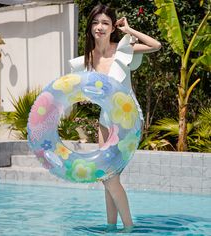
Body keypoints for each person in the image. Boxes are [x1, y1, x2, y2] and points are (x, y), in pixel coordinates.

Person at [69, 3, 161, 233]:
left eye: (105, 23)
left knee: (109, 175)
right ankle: (111, 227)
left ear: (112, 28)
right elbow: (80, 91)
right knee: (106, 175)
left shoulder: (122, 50)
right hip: (105, 120)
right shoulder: (86, 59)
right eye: (95, 22)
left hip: (128, 118)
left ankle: (128, 228)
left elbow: (155, 45)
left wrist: (129, 30)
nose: (99, 27)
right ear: (90, 27)